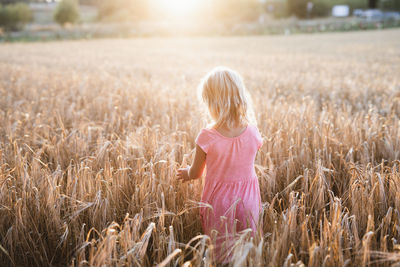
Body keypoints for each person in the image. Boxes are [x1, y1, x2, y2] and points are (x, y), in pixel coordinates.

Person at [177, 66, 263, 264]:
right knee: (247, 248)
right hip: (248, 201)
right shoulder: (252, 132)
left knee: (222, 254)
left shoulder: (207, 136)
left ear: (212, 102)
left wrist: (187, 174)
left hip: (219, 203)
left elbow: (197, 172)